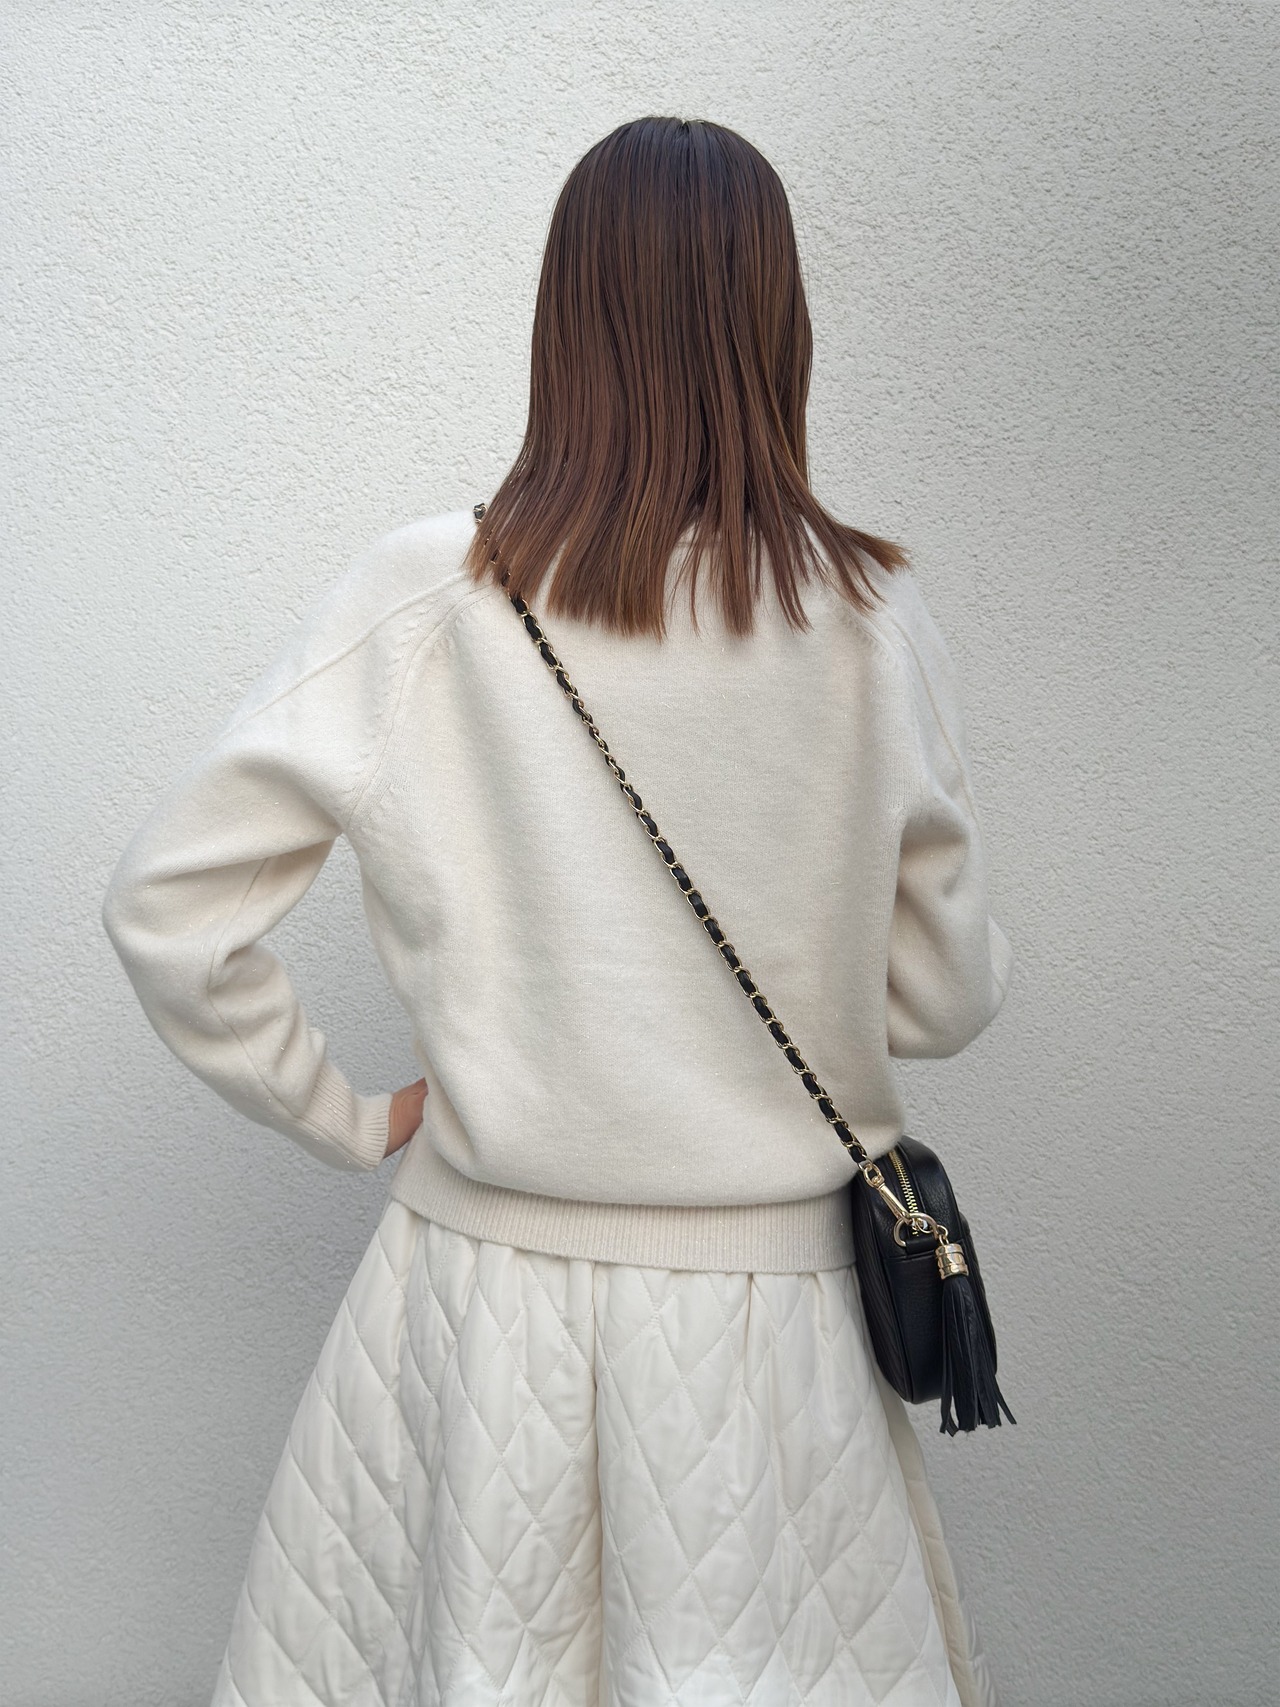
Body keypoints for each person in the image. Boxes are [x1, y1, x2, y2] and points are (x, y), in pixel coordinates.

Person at [101, 115, 1014, 1707]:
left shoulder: (432, 594)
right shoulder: (868, 617)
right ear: (778, 326)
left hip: (482, 1311)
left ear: (564, 319)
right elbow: (940, 1004)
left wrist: (346, 1114)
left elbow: (171, 909)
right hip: (773, 1332)